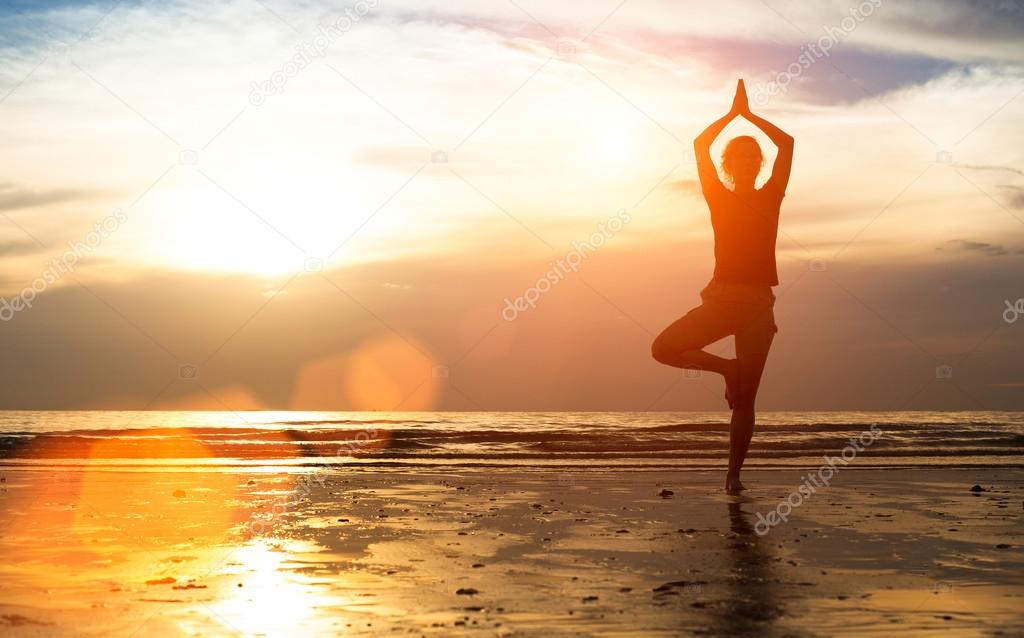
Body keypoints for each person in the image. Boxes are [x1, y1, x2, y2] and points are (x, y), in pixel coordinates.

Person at [651, 79, 794, 494]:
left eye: (754, 156)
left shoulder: (772, 195)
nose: (748, 160)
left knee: (746, 400)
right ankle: (725, 368)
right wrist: (731, 117)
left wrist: (751, 117)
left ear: (760, 164)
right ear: (729, 163)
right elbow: (701, 144)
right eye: (740, 155)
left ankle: (733, 477)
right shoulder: (717, 194)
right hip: (720, 299)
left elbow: (786, 145)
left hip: (756, 307)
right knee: (662, 348)